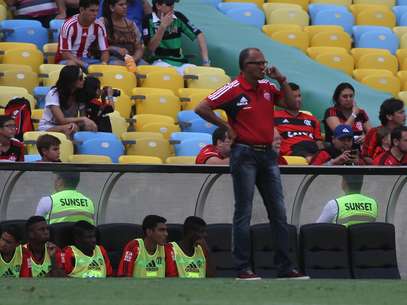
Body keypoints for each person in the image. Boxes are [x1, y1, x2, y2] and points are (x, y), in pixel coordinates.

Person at [195, 47, 306, 279]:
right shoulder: (233, 88)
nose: (263, 67)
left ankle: (285, 267)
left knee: (278, 212)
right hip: (244, 153)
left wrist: (282, 80)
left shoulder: (268, 87)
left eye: (264, 62)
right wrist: (226, 126)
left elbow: (292, 105)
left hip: (268, 155)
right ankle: (242, 268)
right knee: (243, 211)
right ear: (245, 67)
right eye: (258, 63)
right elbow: (201, 107)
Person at [142, 0, 210, 75]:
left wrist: (206, 62)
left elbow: (199, 35)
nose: (172, 6)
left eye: (173, 3)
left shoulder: (178, 16)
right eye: (169, 3)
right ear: (158, 5)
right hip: (159, 62)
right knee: (170, 75)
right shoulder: (148, 20)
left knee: (201, 75)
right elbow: (150, 48)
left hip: (181, 63)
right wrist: (162, 27)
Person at [38, 65, 98, 138]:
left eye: (83, 77)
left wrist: (88, 123)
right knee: (72, 127)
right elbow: (61, 120)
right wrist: (83, 119)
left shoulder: (80, 94)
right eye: (80, 78)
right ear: (71, 80)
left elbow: (83, 117)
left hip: (69, 125)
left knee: (89, 127)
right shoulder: (54, 94)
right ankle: (70, 149)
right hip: (49, 127)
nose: (83, 80)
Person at [274, 82, 323, 161]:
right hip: (292, 152)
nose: (298, 99)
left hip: (312, 148)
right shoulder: (274, 116)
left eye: (299, 96)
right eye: (294, 97)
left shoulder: (312, 119)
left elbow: (319, 142)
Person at [55, 0, 109, 69]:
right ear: (81, 10)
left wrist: (104, 64)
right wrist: (84, 65)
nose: (95, 14)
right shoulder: (69, 25)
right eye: (92, 11)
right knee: (72, 65)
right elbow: (65, 54)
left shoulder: (99, 25)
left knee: (115, 63)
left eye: (97, 11)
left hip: (87, 60)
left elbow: (105, 51)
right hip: (66, 61)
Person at [323, 83, 371, 148]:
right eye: (345, 96)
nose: (348, 99)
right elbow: (341, 131)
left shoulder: (361, 113)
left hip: (359, 149)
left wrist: (366, 137)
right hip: (337, 151)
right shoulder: (331, 111)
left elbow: (371, 133)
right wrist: (353, 115)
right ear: (337, 98)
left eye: (351, 96)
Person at [362, 98, 406, 164]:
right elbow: (366, 157)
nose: (405, 115)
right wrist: (382, 167)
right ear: (389, 116)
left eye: (404, 112)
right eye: (401, 112)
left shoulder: (405, 133)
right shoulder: (374, 132)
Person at [101, 0, 145, 65]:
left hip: (130, 59)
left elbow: (139, 48)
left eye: (126, 4)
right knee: (119, 65)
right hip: (110, 59)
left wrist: (133, 59)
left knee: (145, 66)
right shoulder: (102, 23)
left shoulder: (132, 25)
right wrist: (114, 49)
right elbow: (97, 48)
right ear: (112, 8)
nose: (125, 7)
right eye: (121, 5)